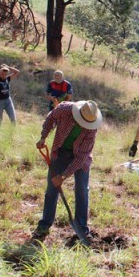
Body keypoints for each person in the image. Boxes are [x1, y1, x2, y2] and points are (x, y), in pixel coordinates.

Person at [33, 100, 103, 245]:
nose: (84, 126)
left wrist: (64, 176)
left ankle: (82, 228)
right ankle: (44, 225)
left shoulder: (91, 130)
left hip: (80, 157)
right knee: (52, 189)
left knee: (82, 189)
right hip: (60, 152)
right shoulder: (64, 109)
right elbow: (50, 118)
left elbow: (81, 158)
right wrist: (43, 137)